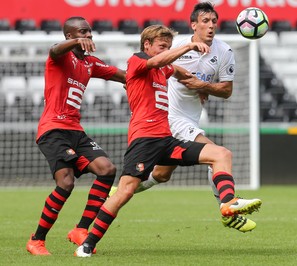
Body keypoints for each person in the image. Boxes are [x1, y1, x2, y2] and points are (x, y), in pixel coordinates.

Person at [74, 24, 261, 257]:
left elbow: (177, 71)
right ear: (147, 45)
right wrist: (190, 46)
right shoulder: (137, 61)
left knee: (221, 154)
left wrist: (199, 87)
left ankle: (228, 203)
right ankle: (87, 243)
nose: (165, 51)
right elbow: (158, 63)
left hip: (167, 141)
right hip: (144, 141)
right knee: (125, 192)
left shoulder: (164, 69)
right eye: (162, 47)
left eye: (168, 47)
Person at [124, 2, 257, 232]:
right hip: (171, 116)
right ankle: (228, 207)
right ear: (193, 25)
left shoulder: (224, 52)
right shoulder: (176, 46)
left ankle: (119, 191)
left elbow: (226, 91)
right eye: (205, 21)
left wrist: (203, 86)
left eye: (214, 21)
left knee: (162, 175)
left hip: (192, 116)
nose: (211, 26)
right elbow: (154, 67)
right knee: (217, 155)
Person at [26, 16, 126, 256]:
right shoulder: (59, 58)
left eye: (89, 32)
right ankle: (36, 240)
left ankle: (80, 230)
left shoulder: (90, 63)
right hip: (53, 130)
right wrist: (74, 43)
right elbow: (54, 49)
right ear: (70, 36)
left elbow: (123, 75)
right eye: (82, 32)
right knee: (66, 182)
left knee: (107, 169)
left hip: (76, 131)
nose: (88, 36)